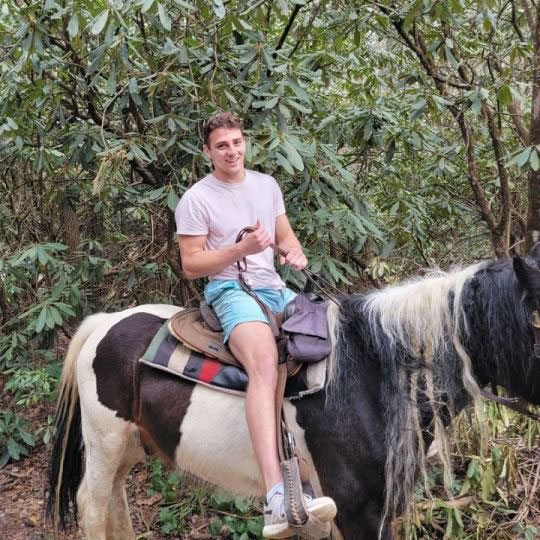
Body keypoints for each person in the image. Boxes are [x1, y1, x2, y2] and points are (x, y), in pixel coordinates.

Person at [175, 112, 336, 538]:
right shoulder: (197, 198)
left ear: (246, 143)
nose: (232, 151)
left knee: (333, 338)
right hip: (229, 291)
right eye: (222, 145)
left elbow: (287, 238)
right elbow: (192, 264)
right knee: (264, 360)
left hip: (274, 287)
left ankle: (319, 458)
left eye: (237, 142)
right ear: (207, 151)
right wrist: (240, 248)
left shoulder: (266, 185)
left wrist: (294, 254)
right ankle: (276, 494)